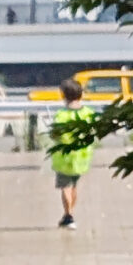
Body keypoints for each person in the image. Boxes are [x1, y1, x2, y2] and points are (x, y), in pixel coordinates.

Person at [47, 79, 92, 229]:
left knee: (65, 186)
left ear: (64, 95)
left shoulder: (62, 115)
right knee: (74, 186)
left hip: (64, 157)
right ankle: (70, 213)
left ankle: (68, 216)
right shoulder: (87, 113)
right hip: (81, 156)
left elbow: (54, 134)